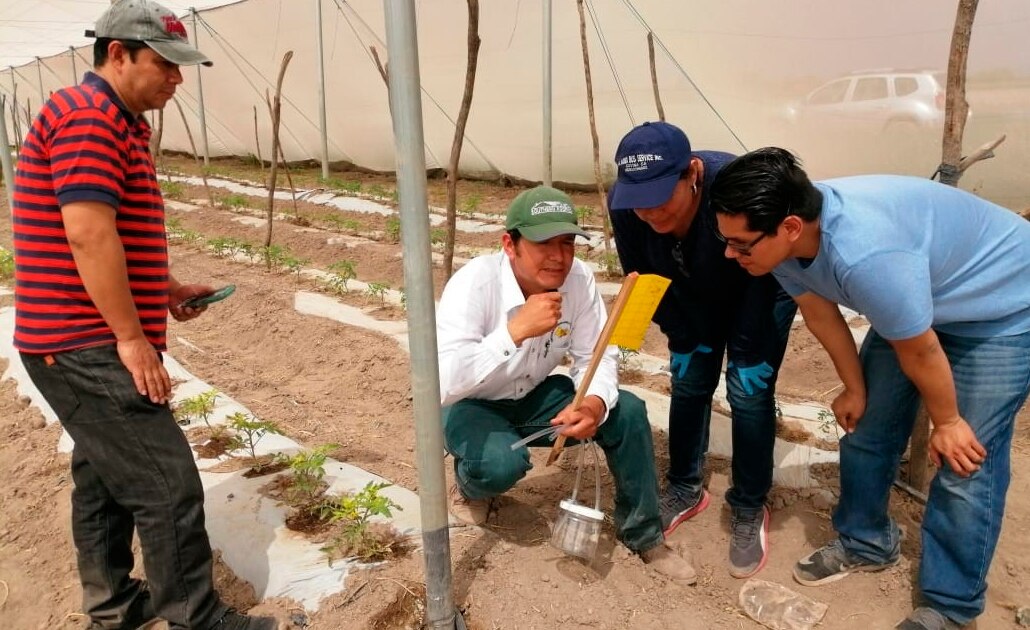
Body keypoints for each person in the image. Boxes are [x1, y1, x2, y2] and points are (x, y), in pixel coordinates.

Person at [11, 2, 277, 629]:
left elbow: (121, 237)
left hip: (72, 337)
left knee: (104, 476)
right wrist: (130, 339)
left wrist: (167, 289)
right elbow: (89, 236)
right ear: (117, 54)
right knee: (166, 482)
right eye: (165, 65)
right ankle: (196, 617)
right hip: (84, 341)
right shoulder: (87, 120)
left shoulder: (118, 121)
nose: (177, 80)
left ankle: (113, 606)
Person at [709, 147, 1030, 630]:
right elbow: (821, 314)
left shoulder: (867, 255)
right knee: (866, 427)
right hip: (919, 301)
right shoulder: (780, 246)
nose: (730, 253)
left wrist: (947, 421)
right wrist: (854, 388)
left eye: (741, 243)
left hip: (1000, 308)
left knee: (966, 456)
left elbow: (920, 350)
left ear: (791, 226)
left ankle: (949, 606)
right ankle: (866, 542)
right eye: (726, 239)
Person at [437, 185, 697, 583]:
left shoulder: (577, 280)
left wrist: (592, 404)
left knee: (626, 411)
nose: (559, 257)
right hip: (473, 402)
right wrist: (514, 332)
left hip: (534, 395)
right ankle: (471, 487)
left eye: (567, 242)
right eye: (543, 243)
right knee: (500, 463)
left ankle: (645, 535)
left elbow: (596, 354)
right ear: (510, 244)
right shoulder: (474, 285)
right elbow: (445, 382)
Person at [606, 121, 796, 578]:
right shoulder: (627, 206)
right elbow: (642, 275)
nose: (648, 213)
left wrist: (747, 347)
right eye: (638, 202)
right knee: (689, 377)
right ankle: (686, 486)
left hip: (760, 283)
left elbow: (769, 269)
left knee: (748, 388)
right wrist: (681, 333)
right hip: (691, 286)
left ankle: (749, 503)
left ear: (692, 173)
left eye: (659, 198)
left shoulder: (732, 188)